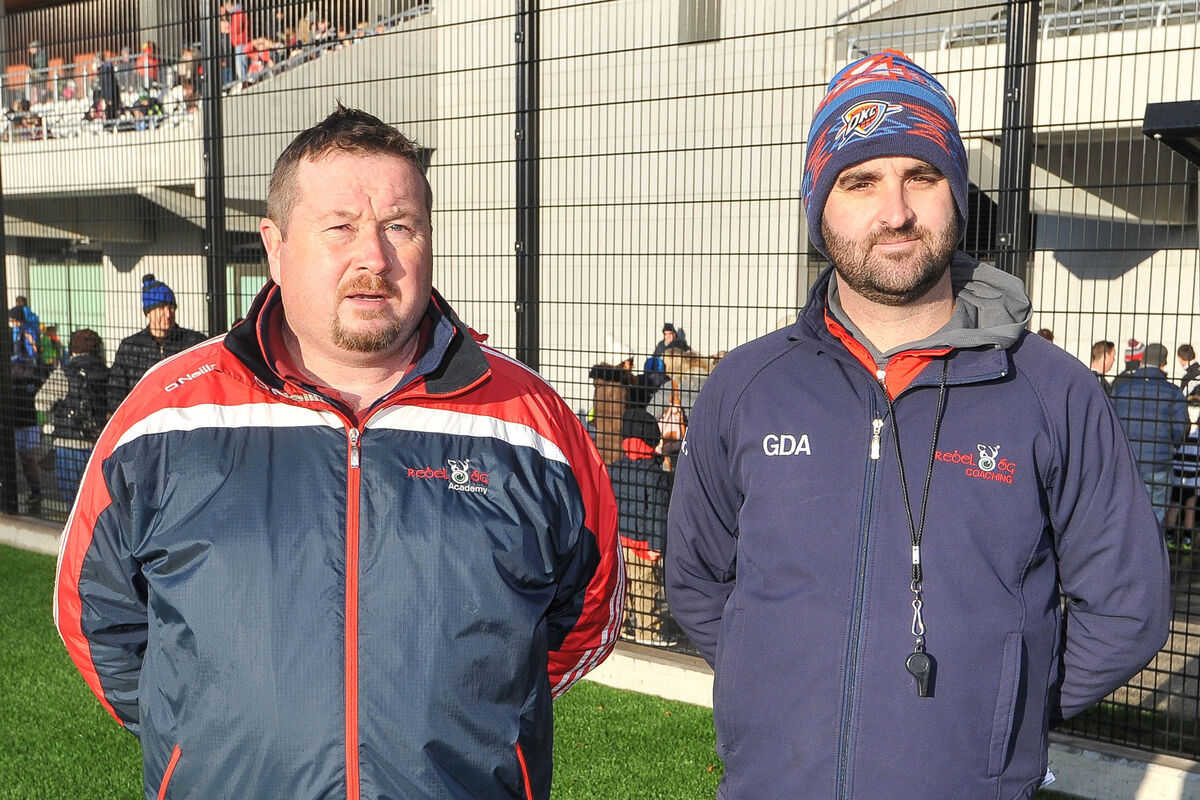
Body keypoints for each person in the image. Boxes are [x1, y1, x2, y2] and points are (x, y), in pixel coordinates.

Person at [55, 105, 623, 800]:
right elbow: (97, 617)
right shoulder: (165, 418)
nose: (373, 258)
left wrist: (478, 724)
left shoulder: (531, 425)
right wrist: (196, 737)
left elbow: (585, 616)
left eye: (399, 226)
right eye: (341, 227)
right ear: (275, 246)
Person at [665, 50, 1170, 800]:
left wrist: (1000, 708)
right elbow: (697, 582)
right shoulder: (745, 388)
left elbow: (1128, 608)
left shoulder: (1052, 392)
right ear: (819, 205)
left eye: (922, 176)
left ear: (956, 192)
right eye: (859, 181)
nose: (895, 212)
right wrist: (771, 689)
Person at [610, 407, 674, 646]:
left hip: (620, 541)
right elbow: (658, 511)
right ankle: (649, 632)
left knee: (624, 587)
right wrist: (656, 544)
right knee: (647, 587)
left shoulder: (614, 469)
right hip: (644, 545)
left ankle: (623, 625)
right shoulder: (654, 474)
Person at [1111, 343, 1190, 524]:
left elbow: (1111, 423)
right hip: (1159, 462)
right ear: (1164, 363)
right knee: (1156, 516)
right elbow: (1181, 427)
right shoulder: (1173, 392)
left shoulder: (1122, 390)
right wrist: (1171, 447)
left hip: (1128, 462)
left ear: (1142, 361)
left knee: (1128, 515)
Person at [106, 274, 206, 413]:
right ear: (148, 313)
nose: (168, 314)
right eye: (161, 308)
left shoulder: (194, 343)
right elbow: (116, 392)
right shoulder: (130, 347)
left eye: (171, 307)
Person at [35, 329, 107, 506]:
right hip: (98, 444)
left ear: (73, 349)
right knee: (96, 501)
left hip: (68, 443)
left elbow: (40, 402)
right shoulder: (107, 373)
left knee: (73, 501)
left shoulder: (65, 372)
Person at [10, 355, 44, 512]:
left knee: (29, 458)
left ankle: (36, 490)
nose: (15, 371)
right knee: (17, 458)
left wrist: (42, 424)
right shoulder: (10, 382)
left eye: (17, 368)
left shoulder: (36, 382)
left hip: (31, 425)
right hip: (14, 425)